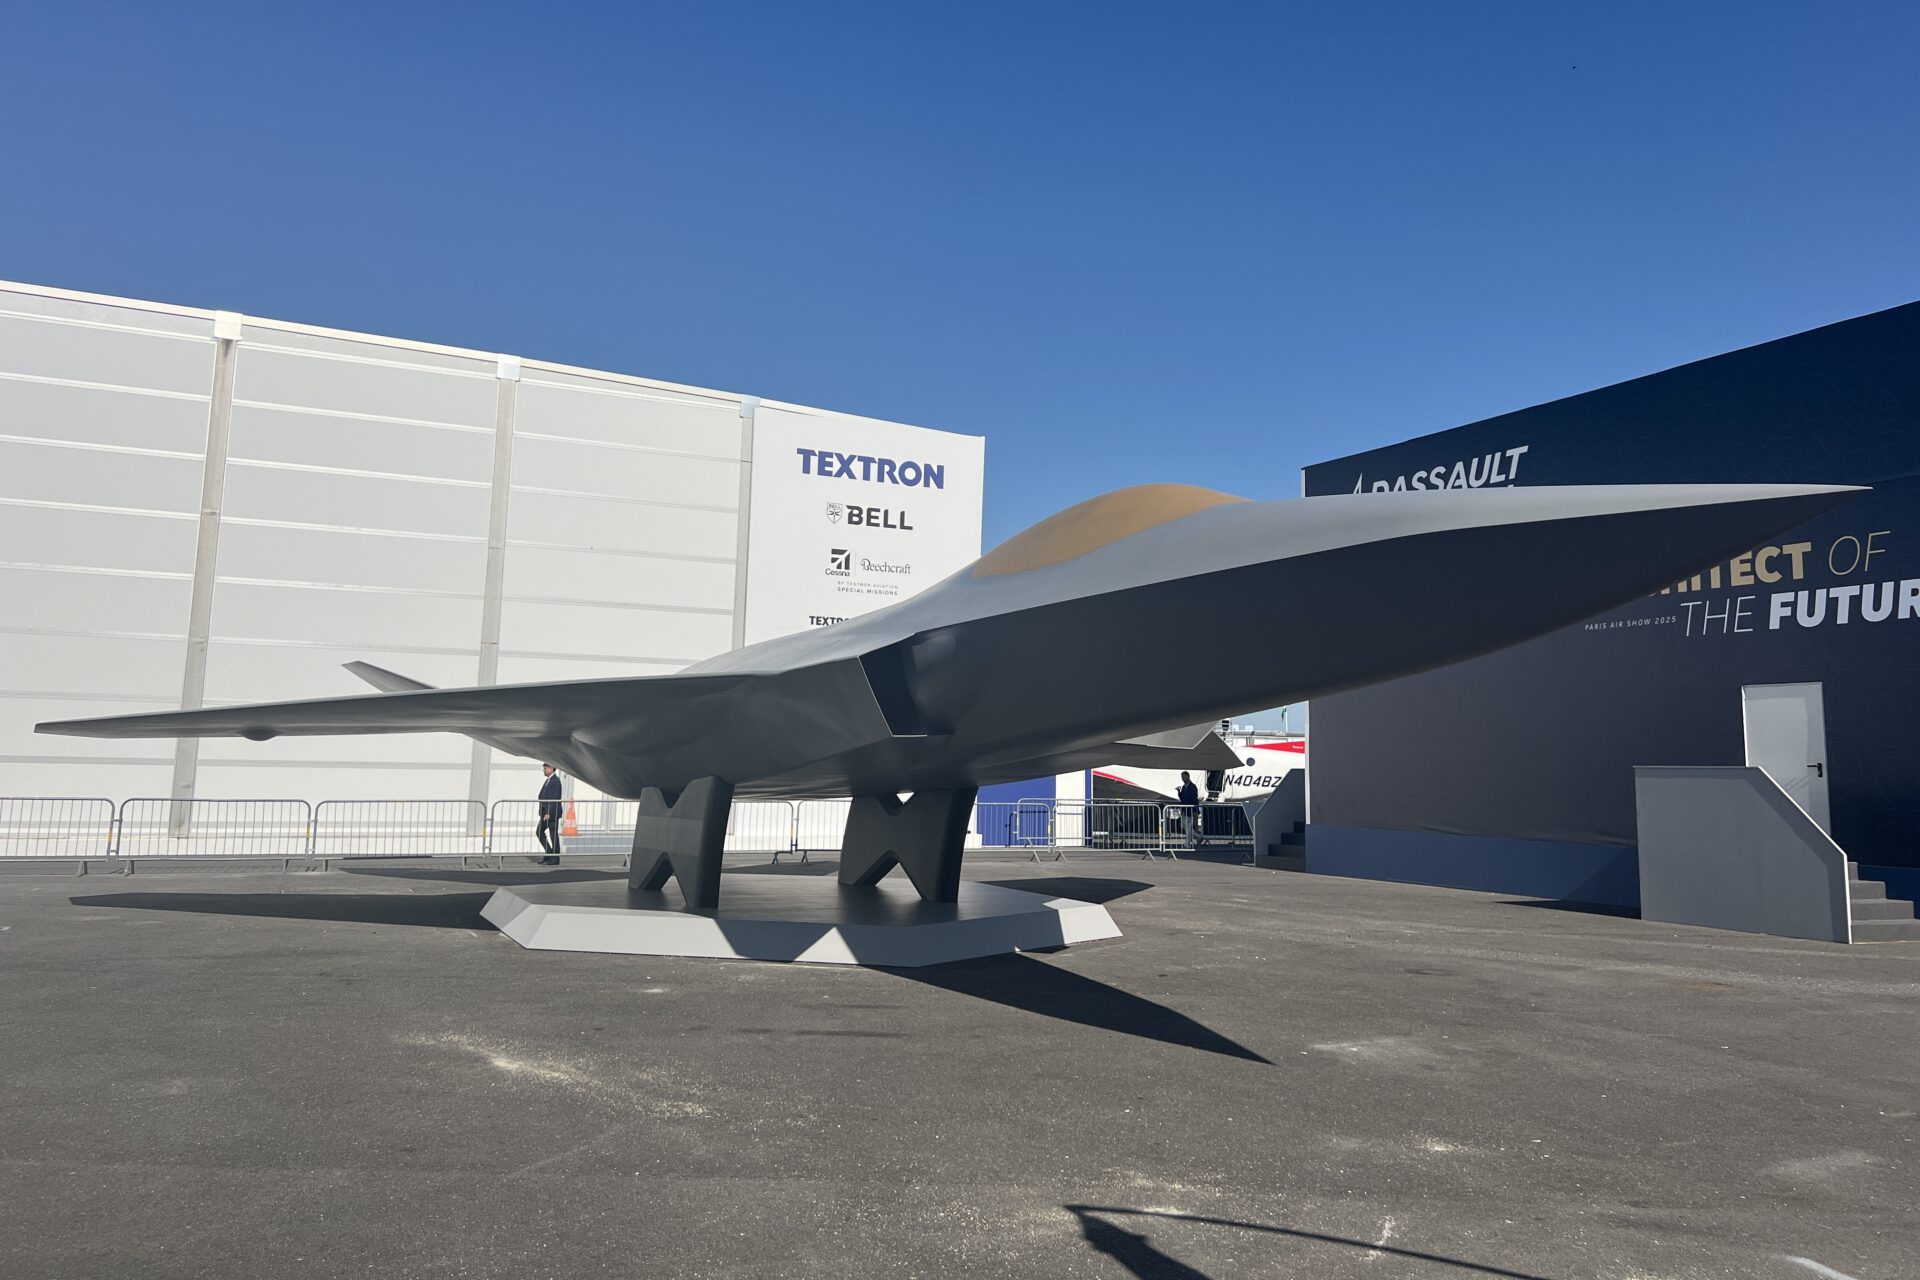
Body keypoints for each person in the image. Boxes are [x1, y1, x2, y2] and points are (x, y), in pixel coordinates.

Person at [536, 764, 563, 864]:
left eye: (545, 768)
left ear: (551, 769)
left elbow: (555, 798)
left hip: (552, 813)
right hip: (545, 812)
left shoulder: (555, 781)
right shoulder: (549, 780)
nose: (543, 770)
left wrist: (549, 813)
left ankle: (555, 858)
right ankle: (549, 853)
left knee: (553, 834)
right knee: (539, 832)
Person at [1175, 770, 1201, 847]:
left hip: (1190, 809)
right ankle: (1197, 836)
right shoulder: (1184, 787)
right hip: (1184, 809)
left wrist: (1195, 810)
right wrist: (1179, 792)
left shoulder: (1193, 787)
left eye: (1184, 777)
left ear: (1188, 777)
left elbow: (1195, 799)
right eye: (1182, 777)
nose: (1183, 779)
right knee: (1183, 826)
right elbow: (1182, 797)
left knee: (1188, 826)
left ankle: (1188, 842)